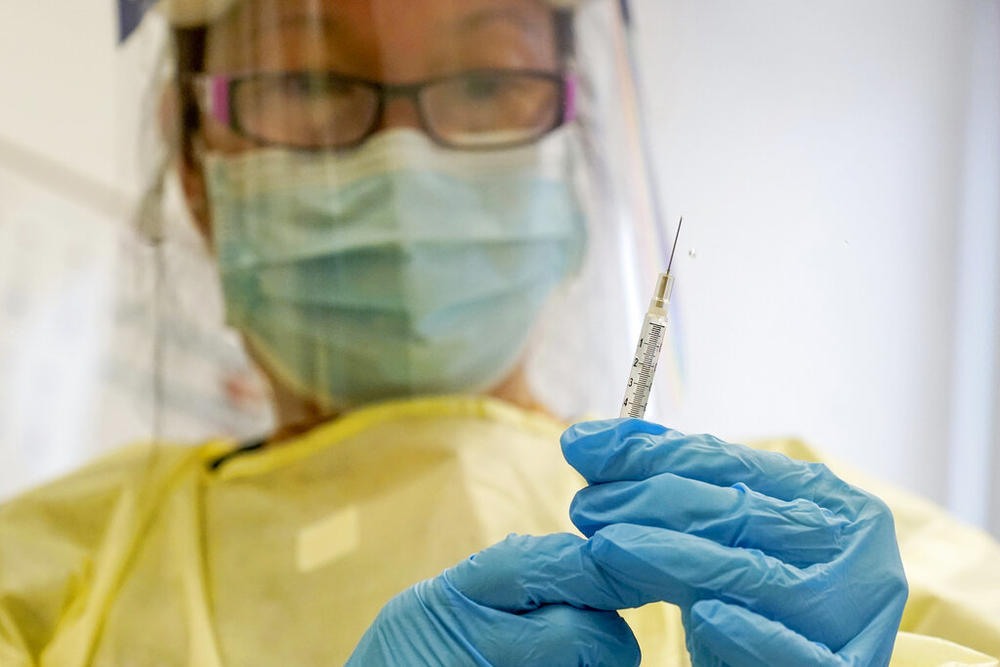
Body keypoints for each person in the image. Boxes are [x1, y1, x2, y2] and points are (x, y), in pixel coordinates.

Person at [1, 0, 998, 664]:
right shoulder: (49, 577)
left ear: (571, 163)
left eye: (485, 83)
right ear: (195, 174)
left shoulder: (807, 550)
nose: (404, 157)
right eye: (308, 84)